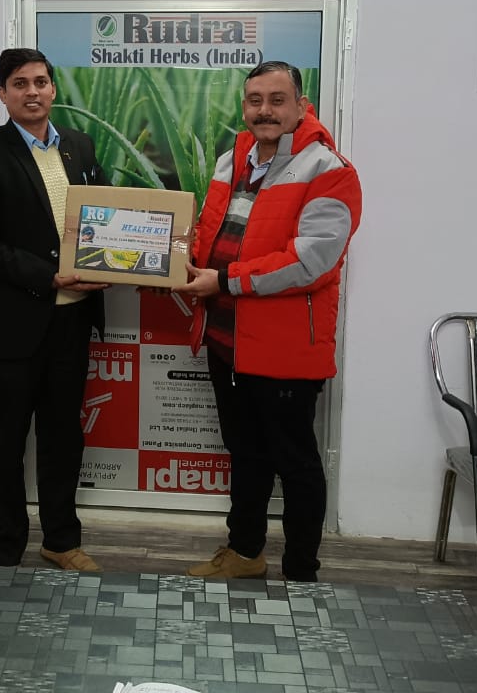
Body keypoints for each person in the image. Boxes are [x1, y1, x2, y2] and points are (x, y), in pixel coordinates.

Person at [175, 61, 361, 582]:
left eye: (277, 100)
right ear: (244, 107)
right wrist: (168, 259)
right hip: (226, 340)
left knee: (296, 463)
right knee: (246, 453)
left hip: (282, 348)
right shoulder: (229, 160)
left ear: (301, 107)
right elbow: (209, 236)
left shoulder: (328, 169)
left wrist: (225, 280)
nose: (264, 110)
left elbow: (311, 261)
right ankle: (245, 552)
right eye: (255, 100)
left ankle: (301, 571)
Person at [0, 48, 108, 571]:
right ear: (3, 94)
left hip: (72, 319)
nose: (33, 91)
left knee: (64, 437)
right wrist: (48, 275)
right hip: (12, 326)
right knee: (6, 443)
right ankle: (6, 550)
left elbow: (105, 218)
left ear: (54, 90)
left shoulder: (80, 147)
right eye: (20, 83)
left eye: (41, 81)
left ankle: (61, 540)